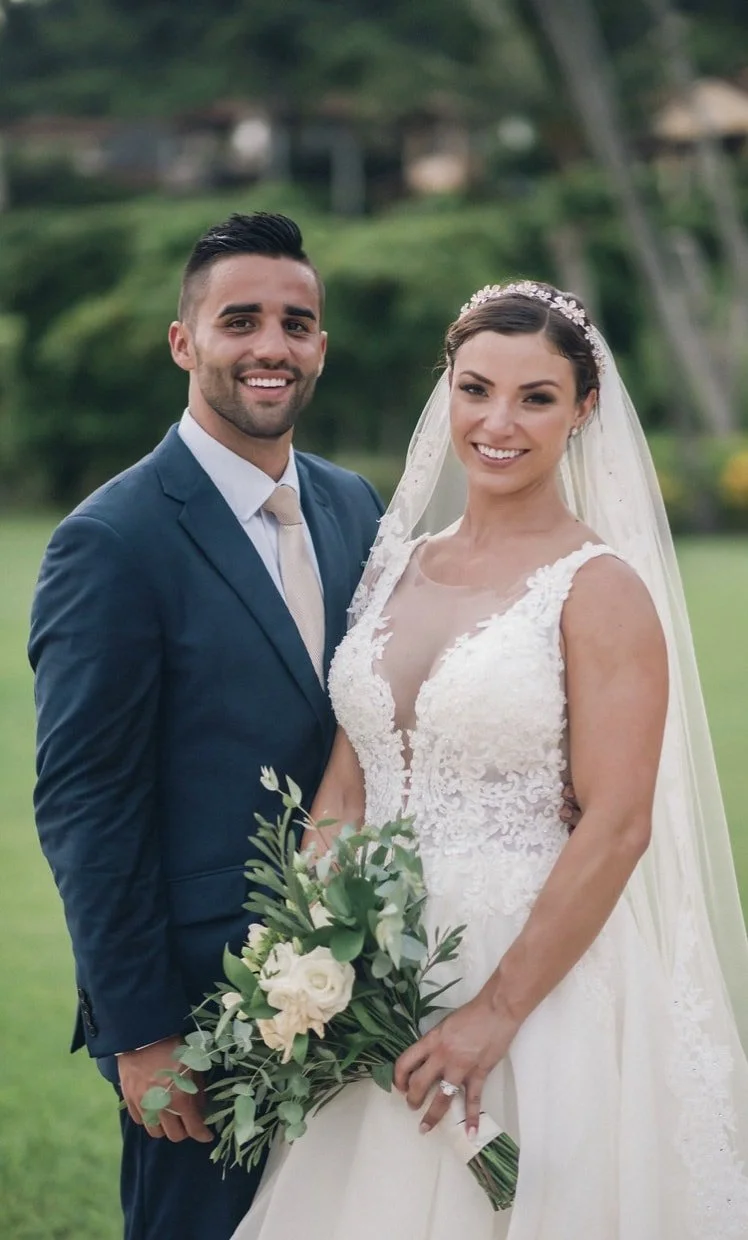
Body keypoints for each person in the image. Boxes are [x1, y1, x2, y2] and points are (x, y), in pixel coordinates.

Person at [232, 282, 748, 1240]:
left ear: (583, 410)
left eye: (535, 398)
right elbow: (347, 784)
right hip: (375, 971)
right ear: (449, 391)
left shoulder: (599, 589)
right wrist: (309, 949)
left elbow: (618, 823)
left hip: (533, 974)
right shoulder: (394, 567)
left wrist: (497, 1013)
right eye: (476, 390)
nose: (497, 424)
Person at [28, 212, 384, 1240]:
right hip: (201, 1015)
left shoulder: (354, 506)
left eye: (296, 324)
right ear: (184, 343)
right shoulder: (111, 540)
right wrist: (141, 1033)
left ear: (321, 346)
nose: (272, 345)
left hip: (368, 988)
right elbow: (87, 806)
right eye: (241, 321)